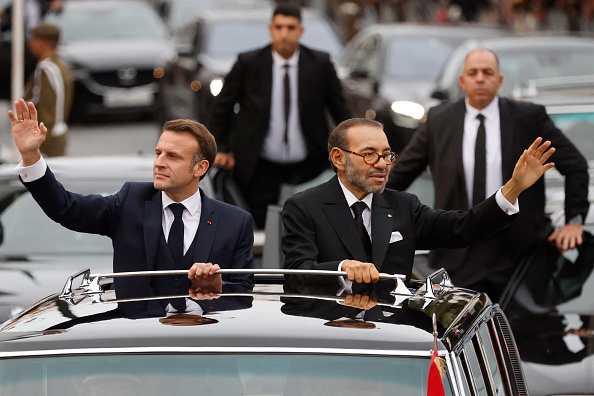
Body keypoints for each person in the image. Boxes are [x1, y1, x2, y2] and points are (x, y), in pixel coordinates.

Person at [8, 98, 254, 314]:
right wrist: (31, 157)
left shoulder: (235, 222)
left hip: (209, 350)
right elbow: (67, 209)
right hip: (136, 350)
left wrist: (217, 287)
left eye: (173, 156)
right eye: (158, 153)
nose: (159, 163)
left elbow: (245, 295)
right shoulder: (130, 201)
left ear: (200, 168)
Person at [387, 48, 589, 301]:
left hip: (519, 253)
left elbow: (576, 165)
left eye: (487, 72)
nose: (480, 78)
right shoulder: (440, 120)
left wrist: (574, 221)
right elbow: (401, 174)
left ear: (499, 80)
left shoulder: (528, 118)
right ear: (462, 81)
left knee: (521, 333)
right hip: (459, 249)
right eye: (473, 73)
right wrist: (374, 212)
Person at [282, 117, 555, 287]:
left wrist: (514, 187)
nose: (381, 164)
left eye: (387, 155)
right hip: (330, 339)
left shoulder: (403, 206)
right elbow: (297, 271)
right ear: (339, 158)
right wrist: (343, 268)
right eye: (369, 155)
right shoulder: (304, 207)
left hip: (396, 343)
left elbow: (464, 227)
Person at [209, 1, 351, 228]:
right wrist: (222, 148)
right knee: (261, 229)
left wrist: (352, 149)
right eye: (279, 27)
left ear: (301, 31)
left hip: (309, 166)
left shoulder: (320, 64)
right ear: (271, 29)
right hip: (260, 165)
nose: (284, 33)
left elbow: (340, 111)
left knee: (310, 225)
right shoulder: (250, 63)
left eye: (291, 27)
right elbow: (221, 108)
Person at [23, 23, 73, 157]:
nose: (31, 44)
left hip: (49, 136)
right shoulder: (58, 65)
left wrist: (43, 138)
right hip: (52, 134)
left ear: (43, 42)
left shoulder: (48, 69)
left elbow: (52, 109)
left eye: (33, 39)